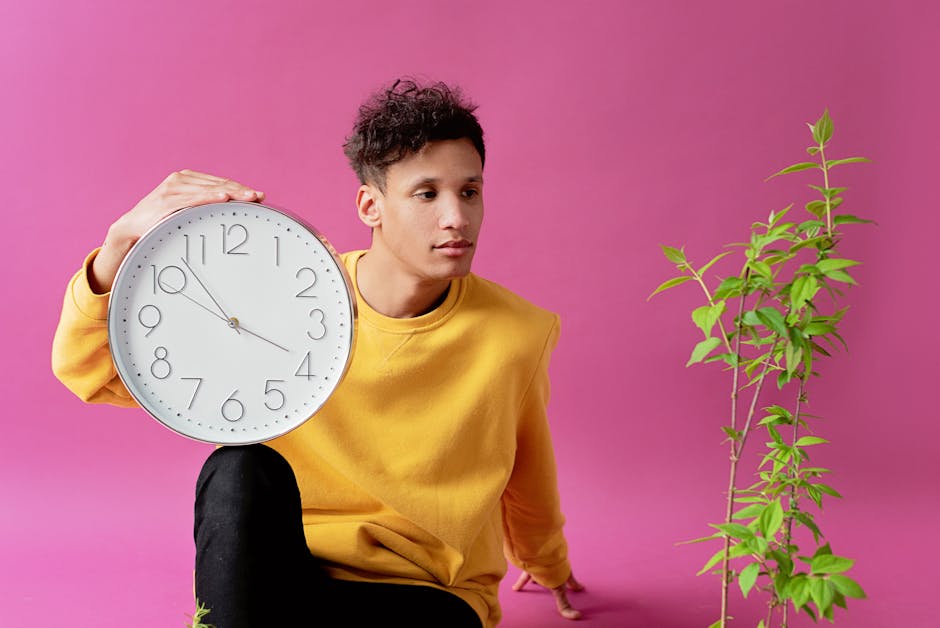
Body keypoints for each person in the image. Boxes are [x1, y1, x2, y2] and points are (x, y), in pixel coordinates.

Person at [52, 79, 582, 627]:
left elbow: (526, 470)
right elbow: (86, 373)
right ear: (370, 206)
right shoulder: (295, 302)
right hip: (286, 574)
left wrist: (549, 566)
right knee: (238, 466)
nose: (456, 217)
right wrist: (118, 247)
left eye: (469, 191)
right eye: (427, 194)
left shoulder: (518, 333)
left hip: (426, 595)